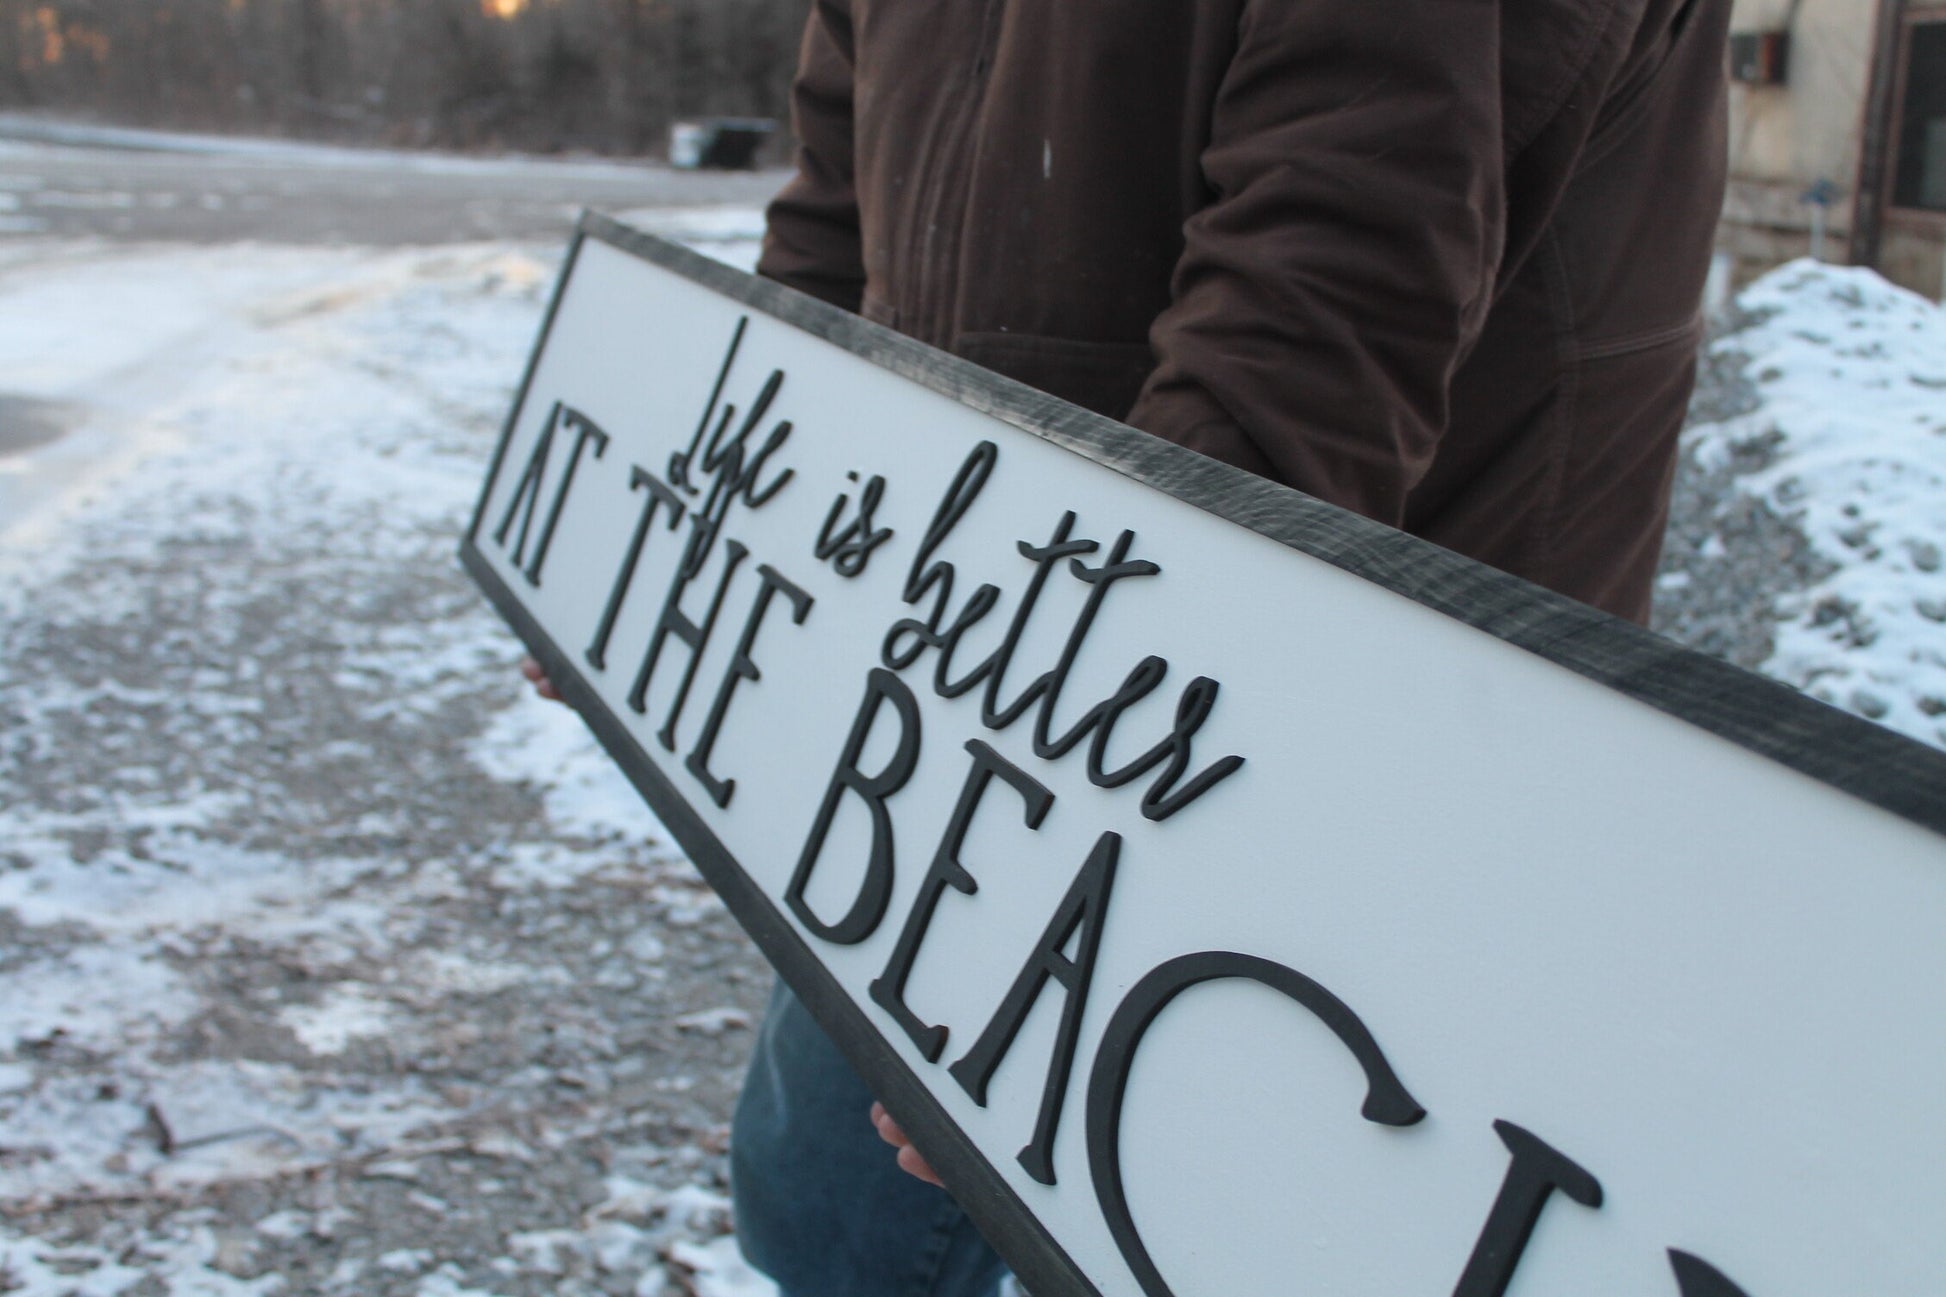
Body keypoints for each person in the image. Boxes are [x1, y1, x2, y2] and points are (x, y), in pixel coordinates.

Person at [726, 0, 1733, 1294]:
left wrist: (1029, 887)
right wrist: (713, 527)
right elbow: (831, 205)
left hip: (1319, 717)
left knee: (1178, 1230)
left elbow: (1319, 309)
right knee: (827, 1214)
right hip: (969, 662)